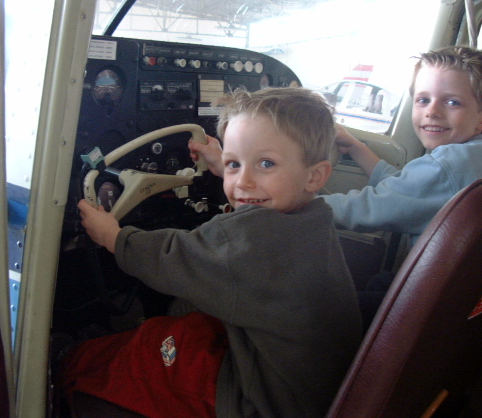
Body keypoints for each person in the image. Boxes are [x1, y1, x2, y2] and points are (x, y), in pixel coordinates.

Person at [63, 88, 362, 418]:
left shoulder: (251, 237)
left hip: (258, 403)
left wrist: (113, 236)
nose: (243, 182)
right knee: (186, 325)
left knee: (148, 347)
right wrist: (225, 163)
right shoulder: (313, 218)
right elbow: (252, 191)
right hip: (304, 390)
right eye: (235, 164)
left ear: (315, 176)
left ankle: (66, 363)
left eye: (266, 163)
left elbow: (171, 257)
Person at [319, 45, 482, 363]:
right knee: (381, 283)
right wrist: (357, 149)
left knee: (323, 317)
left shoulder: (447, 165)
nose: (432, 111)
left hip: (454, 333)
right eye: (423, 100)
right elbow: (408, 191)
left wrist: (292, 202)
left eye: (452, 102)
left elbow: (367, 209)